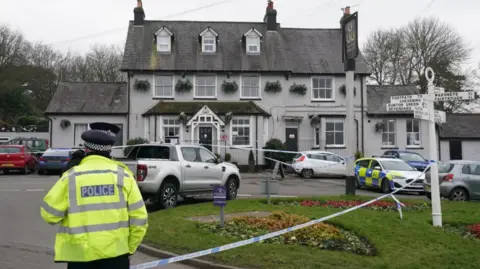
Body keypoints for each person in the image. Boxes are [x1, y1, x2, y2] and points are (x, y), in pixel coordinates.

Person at [41, 129, 148, 269]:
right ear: (109, 151)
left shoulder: (71, 177)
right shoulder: (124, 176)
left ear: (86, 149)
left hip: (80, 256)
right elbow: (140, 219)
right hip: (116, 256)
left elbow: (49, 215)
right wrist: (129, 248)